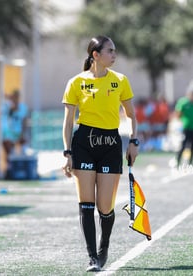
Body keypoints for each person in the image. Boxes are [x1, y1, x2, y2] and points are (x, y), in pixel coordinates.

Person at [61, 35, 139, 272]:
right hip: (84, 143)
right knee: (86, 203)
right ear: (96, 55)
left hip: (110, 145)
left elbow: (131, 116)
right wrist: (67, 152)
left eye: (115, 51)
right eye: (110, 51)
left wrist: (133, 141)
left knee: (105, 207)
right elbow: (67, 122)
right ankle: (92, 256)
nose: (114, 55)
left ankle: (104, 247)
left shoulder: (121, 81)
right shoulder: (76, 83)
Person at [174, 89, 193, 167]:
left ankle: (190, 163)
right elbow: (178, 113)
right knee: (183, 145)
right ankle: (178, 161)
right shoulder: (184, 103)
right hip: (186, 127)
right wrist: (181, 122)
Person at [1, 89, 29, 161]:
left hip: (19, 133)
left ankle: (22, 163)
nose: (16, 99)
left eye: (17, 97)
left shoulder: (23, 108)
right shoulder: (7, 107)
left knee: (24, 145)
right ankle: (10, 167)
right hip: (8, 134)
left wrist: (23, 133)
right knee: (9, 151)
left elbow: (24, 122)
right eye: (14, 97)